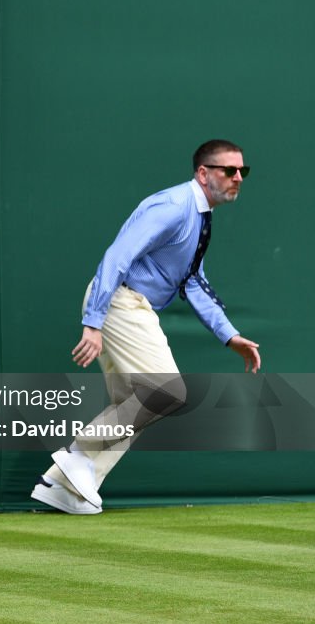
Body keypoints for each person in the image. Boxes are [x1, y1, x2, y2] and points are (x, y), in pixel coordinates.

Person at [30, 139, 261, 515]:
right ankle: (79, 453)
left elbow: (191, 280)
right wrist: (94, 321)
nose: (238, 178)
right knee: (167, 392)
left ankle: (59, 485)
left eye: (242, 172)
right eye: (228, 171)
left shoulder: (201, 215)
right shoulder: (172, 207)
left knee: (133, 405)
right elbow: (118, 256)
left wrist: (228, 334)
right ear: (203, 174)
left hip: (127, 303)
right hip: (120, 300)